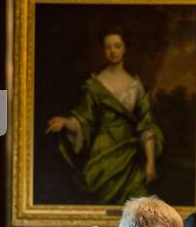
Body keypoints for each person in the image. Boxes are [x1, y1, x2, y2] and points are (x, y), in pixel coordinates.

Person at [46, 27, 163, 203]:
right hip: (101, 155)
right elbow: (83, 119)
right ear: (103, 50)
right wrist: (65, 123)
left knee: (135, 204)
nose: (113, 51)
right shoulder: (95, 84)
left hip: (129, 158)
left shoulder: (136, 86)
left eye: (117, 46)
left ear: (125, 49)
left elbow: (146, 126)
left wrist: (150, 163)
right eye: (108, 47)